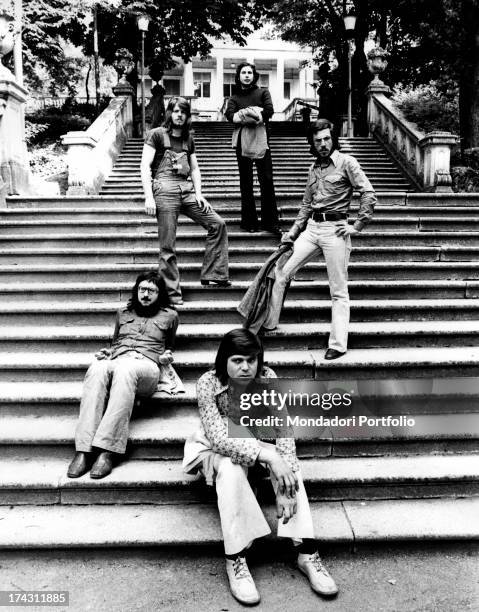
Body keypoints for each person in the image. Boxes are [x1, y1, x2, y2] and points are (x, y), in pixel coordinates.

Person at [183, 329, 338, 605]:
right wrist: (270, 459)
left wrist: (285, 480)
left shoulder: (268, 377)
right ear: (224, 360)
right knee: (231, 468)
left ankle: (307, 552)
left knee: (289, 466)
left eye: (251, 360)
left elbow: (283, 427)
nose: (245, 367)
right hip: (212, 446)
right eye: (237, 360)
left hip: (250, 437)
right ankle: (236, 559)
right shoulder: (208, 382)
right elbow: (220, 438)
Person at [262, 118, 377, 360]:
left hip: (336, 229)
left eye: (326, 139)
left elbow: (368, 192)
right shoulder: (313, 169)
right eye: (318, 141)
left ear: (332, 139)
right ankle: (269, 325)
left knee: (338, 290)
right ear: (312, 144)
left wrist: (357, 225)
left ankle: (338, 344)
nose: (323, 144)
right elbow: (306, 205)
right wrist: (293, 232)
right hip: (312, 229)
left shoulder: (347, 162)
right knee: (281, 271)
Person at [67, 272, 179, 480]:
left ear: (159, 294)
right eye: (142, 290)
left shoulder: (170, 316)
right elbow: (115, 343)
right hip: (119, 360)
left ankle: (107, 451)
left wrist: (166, 356)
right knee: (97, 368)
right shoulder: (122, 313)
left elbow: (169, 346)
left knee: (125, 369)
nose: (146, 294)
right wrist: (107, 353)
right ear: (136, 291)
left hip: (147, 367)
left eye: (152, 291)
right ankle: (84, 450)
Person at [141, 96, 230, 307]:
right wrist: (148, 196)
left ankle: (215, 274)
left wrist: (199, 194)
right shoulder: (156, 135)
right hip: (164, 189)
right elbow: (145, 167)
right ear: (169, 113)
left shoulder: (189, 139)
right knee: (167, 246)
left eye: (183, 112)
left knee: (217, 224)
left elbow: (195, 168)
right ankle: (171, 294)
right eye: (176, 111)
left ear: (187, 116)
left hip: (186, 188)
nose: (179, 115)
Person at [225, 62, 280, 236]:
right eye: (243, 72)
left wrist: (246, 114)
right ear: (238, 76)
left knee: (267, 179)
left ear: (254, 75)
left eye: (250, 72)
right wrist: (254, 113)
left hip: (262, 139)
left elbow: (269, 111)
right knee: (246, 182)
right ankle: (249, 221)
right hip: (242, 142)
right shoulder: (233, 98)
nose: (247, 75)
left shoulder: (263, 92)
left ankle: (270, 222)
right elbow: (230, 116)